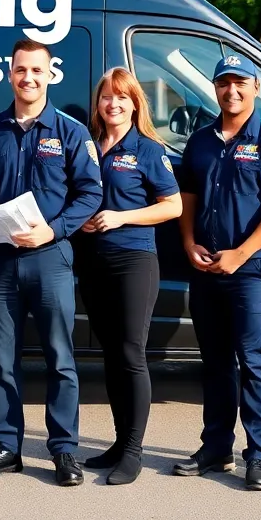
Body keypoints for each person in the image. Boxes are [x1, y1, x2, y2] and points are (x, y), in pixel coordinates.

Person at [0, 39, 102, 487]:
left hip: (50, 258)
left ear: (49, 75)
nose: (28, 78)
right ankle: (5, 445)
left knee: (59, 358)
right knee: (1, 360)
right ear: (10, 73)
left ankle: (64, 450)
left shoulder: (71, 132)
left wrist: (55, 229)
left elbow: (91, 194)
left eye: (36, 71)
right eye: (21, 70)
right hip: (0, 260)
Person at [173, 53, 261, 492]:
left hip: (251, 270)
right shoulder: (201, 140)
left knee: (254, 362)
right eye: (224, 83)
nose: (232, 90)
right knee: (213, 363)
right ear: (215, 89)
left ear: (256, 87)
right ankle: (215, 448)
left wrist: (242, 253)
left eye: (241, 83)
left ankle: (259, 455)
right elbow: (187, 196)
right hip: (206, 267)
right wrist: (189, 242)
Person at [72, 67, 183, 486]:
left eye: (122, 97)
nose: (113, 103)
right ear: (98, 105)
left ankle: (133, 452)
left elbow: (172, 206)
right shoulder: (87, 147)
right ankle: (119, 443)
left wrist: (121, 217)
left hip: (134, 260)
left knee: (132, 353)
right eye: (106, 97)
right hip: (92, 263)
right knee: (112, 355)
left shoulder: (150, 150)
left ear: (136, 103)